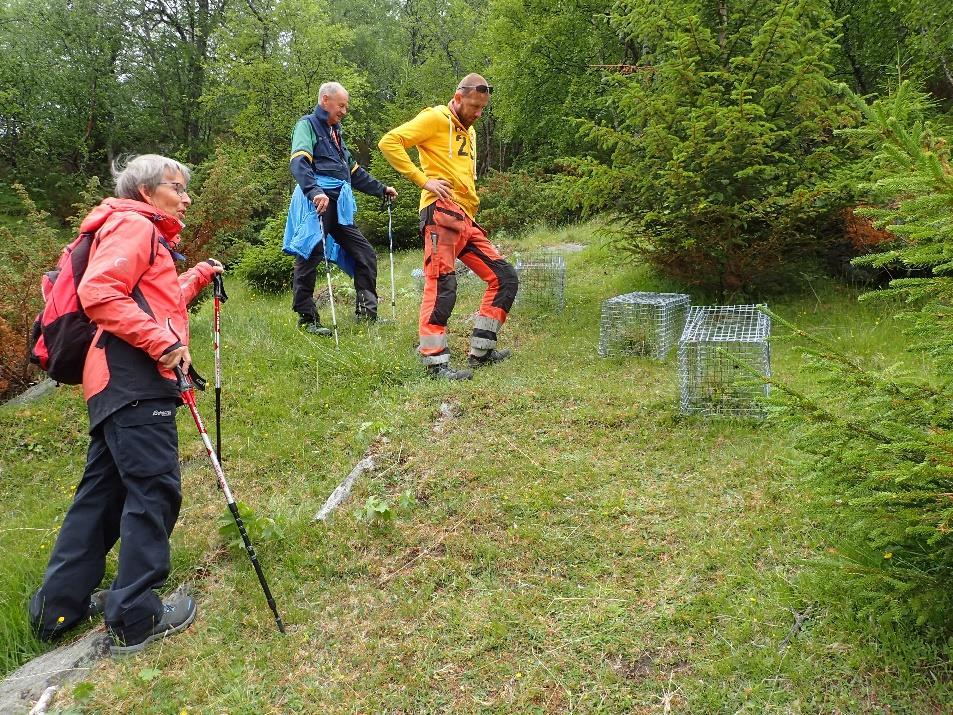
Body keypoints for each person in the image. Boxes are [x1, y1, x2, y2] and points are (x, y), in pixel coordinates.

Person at [29, 154, 224, 656]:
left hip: (112, 380)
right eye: (176, 187)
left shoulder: (135, 231)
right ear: (145, 190)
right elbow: (101, 293)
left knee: (103, 497)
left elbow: (150, 303)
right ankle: (136, 614)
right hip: (134, 375)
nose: (185, 197)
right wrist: (162, 345)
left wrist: (198, 275)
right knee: (154, 488)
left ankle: (57, 608)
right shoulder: (134, 226)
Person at [379, 73, 518, 380]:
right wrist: (422, 180)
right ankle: (434, 362)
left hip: (465, 218)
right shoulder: (435, 118)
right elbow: (389, 141)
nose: (478, 114)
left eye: (482, 108)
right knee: (442, 284)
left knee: (504, 278)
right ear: (457, 98)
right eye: (473, 106)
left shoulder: (469, 131)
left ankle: (482, 352)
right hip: (440, 214)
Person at [289, 81, 397, 332]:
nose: (344, 111)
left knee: (365, 253)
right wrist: (315, 192)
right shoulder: (307, 126)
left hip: (339, 205)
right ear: (325, 100)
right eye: (341, 105)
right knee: (310, 254)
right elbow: (298, 164)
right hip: (316, 202)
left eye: (346, 107)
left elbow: (353, 172)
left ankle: (367, 314)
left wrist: (381, 189)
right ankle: (307, 320)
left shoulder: (336, 133)